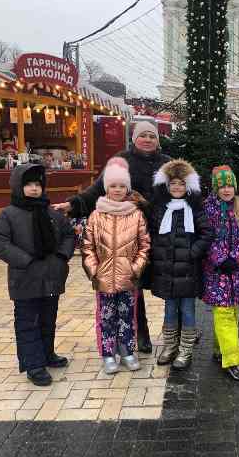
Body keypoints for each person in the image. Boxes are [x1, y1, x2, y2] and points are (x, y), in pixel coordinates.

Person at [53, 120, 171, 354]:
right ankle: (140, 333)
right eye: (143, 135)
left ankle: (174, 333)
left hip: (161, 231)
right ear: (134, 139)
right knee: (133, 284)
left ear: (158, 140)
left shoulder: (167, 163)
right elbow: (97, 190)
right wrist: (73, 204)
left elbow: (181, 192)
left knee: (171, 282)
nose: (147, 139)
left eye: (152, 136)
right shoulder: (121, 161)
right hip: (128, 233)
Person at [0, 164, 75, 386]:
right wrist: (24, 260)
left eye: (38, 184)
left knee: (48, 319)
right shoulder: (9, 214)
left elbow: (68, 235)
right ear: (18, 186)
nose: (34, 189)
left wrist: (61, 256)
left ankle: (47, 354)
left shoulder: (52, 213)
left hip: (51, 277)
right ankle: (33, 364)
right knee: (28, 322)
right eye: (28, 184)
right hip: (25, 279)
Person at [81, 158, 150, 374]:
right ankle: (108, 354)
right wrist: (94, 271)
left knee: (127, 316)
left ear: (127, 188)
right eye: (113, 186)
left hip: (128, 278)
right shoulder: (96, 215)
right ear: (106, 188)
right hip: (104, 279)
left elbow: (144, 245)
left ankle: (127, 351)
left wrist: (135, 269)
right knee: (106, 317)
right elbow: (87, 247)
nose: (118, 190)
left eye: (122, 186)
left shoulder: (136, 215)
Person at [150, 159, 214, 369]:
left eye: (181, 184)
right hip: (167, 271)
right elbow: (152, 233)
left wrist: (193, 252)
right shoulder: (160, 208)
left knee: (187, 310)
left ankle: (186, 349)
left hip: (188, 271)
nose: (177, 187)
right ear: (166, 185)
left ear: (188, 186)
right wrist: (158, 254)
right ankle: (170, 346)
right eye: (173, 184)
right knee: (169, 310)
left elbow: (207, 233)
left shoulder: (194, 208)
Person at [202, 165, 239, 382]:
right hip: (217, 272)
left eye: (230, 186)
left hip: (237, 271)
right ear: (216, 188)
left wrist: (236, 257)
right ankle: (233, 360)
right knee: (223, 312)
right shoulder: (208, 209)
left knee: (231, 312)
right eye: (222, 186)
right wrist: (221, 259)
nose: (226, 190)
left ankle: (220, 349)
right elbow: (207, 237)